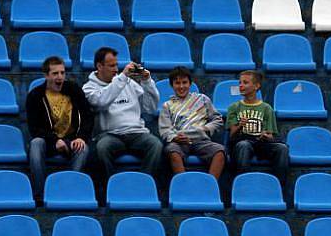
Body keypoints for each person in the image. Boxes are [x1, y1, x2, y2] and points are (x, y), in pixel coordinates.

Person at [83, 47, 163, 178]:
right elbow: (101, 102)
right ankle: (111, 186)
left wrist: (147, 81)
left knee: (156, 145)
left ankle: (144, 183)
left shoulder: (128, 82)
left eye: (117, 65)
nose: (115, 69)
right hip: (110, 135)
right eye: (111, 66)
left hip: (136, 133)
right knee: (102, 148)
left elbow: (150, 107)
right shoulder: (89, 88)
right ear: (99, 66)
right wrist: (122, 77)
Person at [26, 56, 93, 202]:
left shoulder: (74, 90)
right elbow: (34, 128)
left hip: (71, 140)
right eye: (55, 73)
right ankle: (41, 194)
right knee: (36, 144)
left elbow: (88, 117)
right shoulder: (35, 96)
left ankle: (70, 192)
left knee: (84, 148)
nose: (60, 77)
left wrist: (81, 137)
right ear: (46, 75)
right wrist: (55, 140)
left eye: (62, 73)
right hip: (48, 142)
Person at [158, 66, 226, 179]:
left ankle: (210, 186)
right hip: (180, 142)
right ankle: (184, 185)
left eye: (184, 82)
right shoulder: (167, 105)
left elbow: (217, 120)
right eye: (177, 83)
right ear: (172, 85)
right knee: (172, 151)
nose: (181, 86)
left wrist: (206, 129)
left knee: (220, 152)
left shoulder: (203, 99)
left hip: (202, 140)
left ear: (190, 84)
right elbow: (165, 129)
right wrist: (174, 137)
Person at [226, 70, 289, 186]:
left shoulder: (266, 108)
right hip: (242, 141)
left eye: (245, 83)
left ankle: (279, 187)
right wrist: (240, 125)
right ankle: (242, 185)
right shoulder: (234, 107)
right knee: (243, 146)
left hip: (261, 143)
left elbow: (271, 135)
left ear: (256, 86)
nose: (241, 85)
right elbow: (231, 135)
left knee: (282, 148)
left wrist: (266, 136)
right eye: (239, 83)